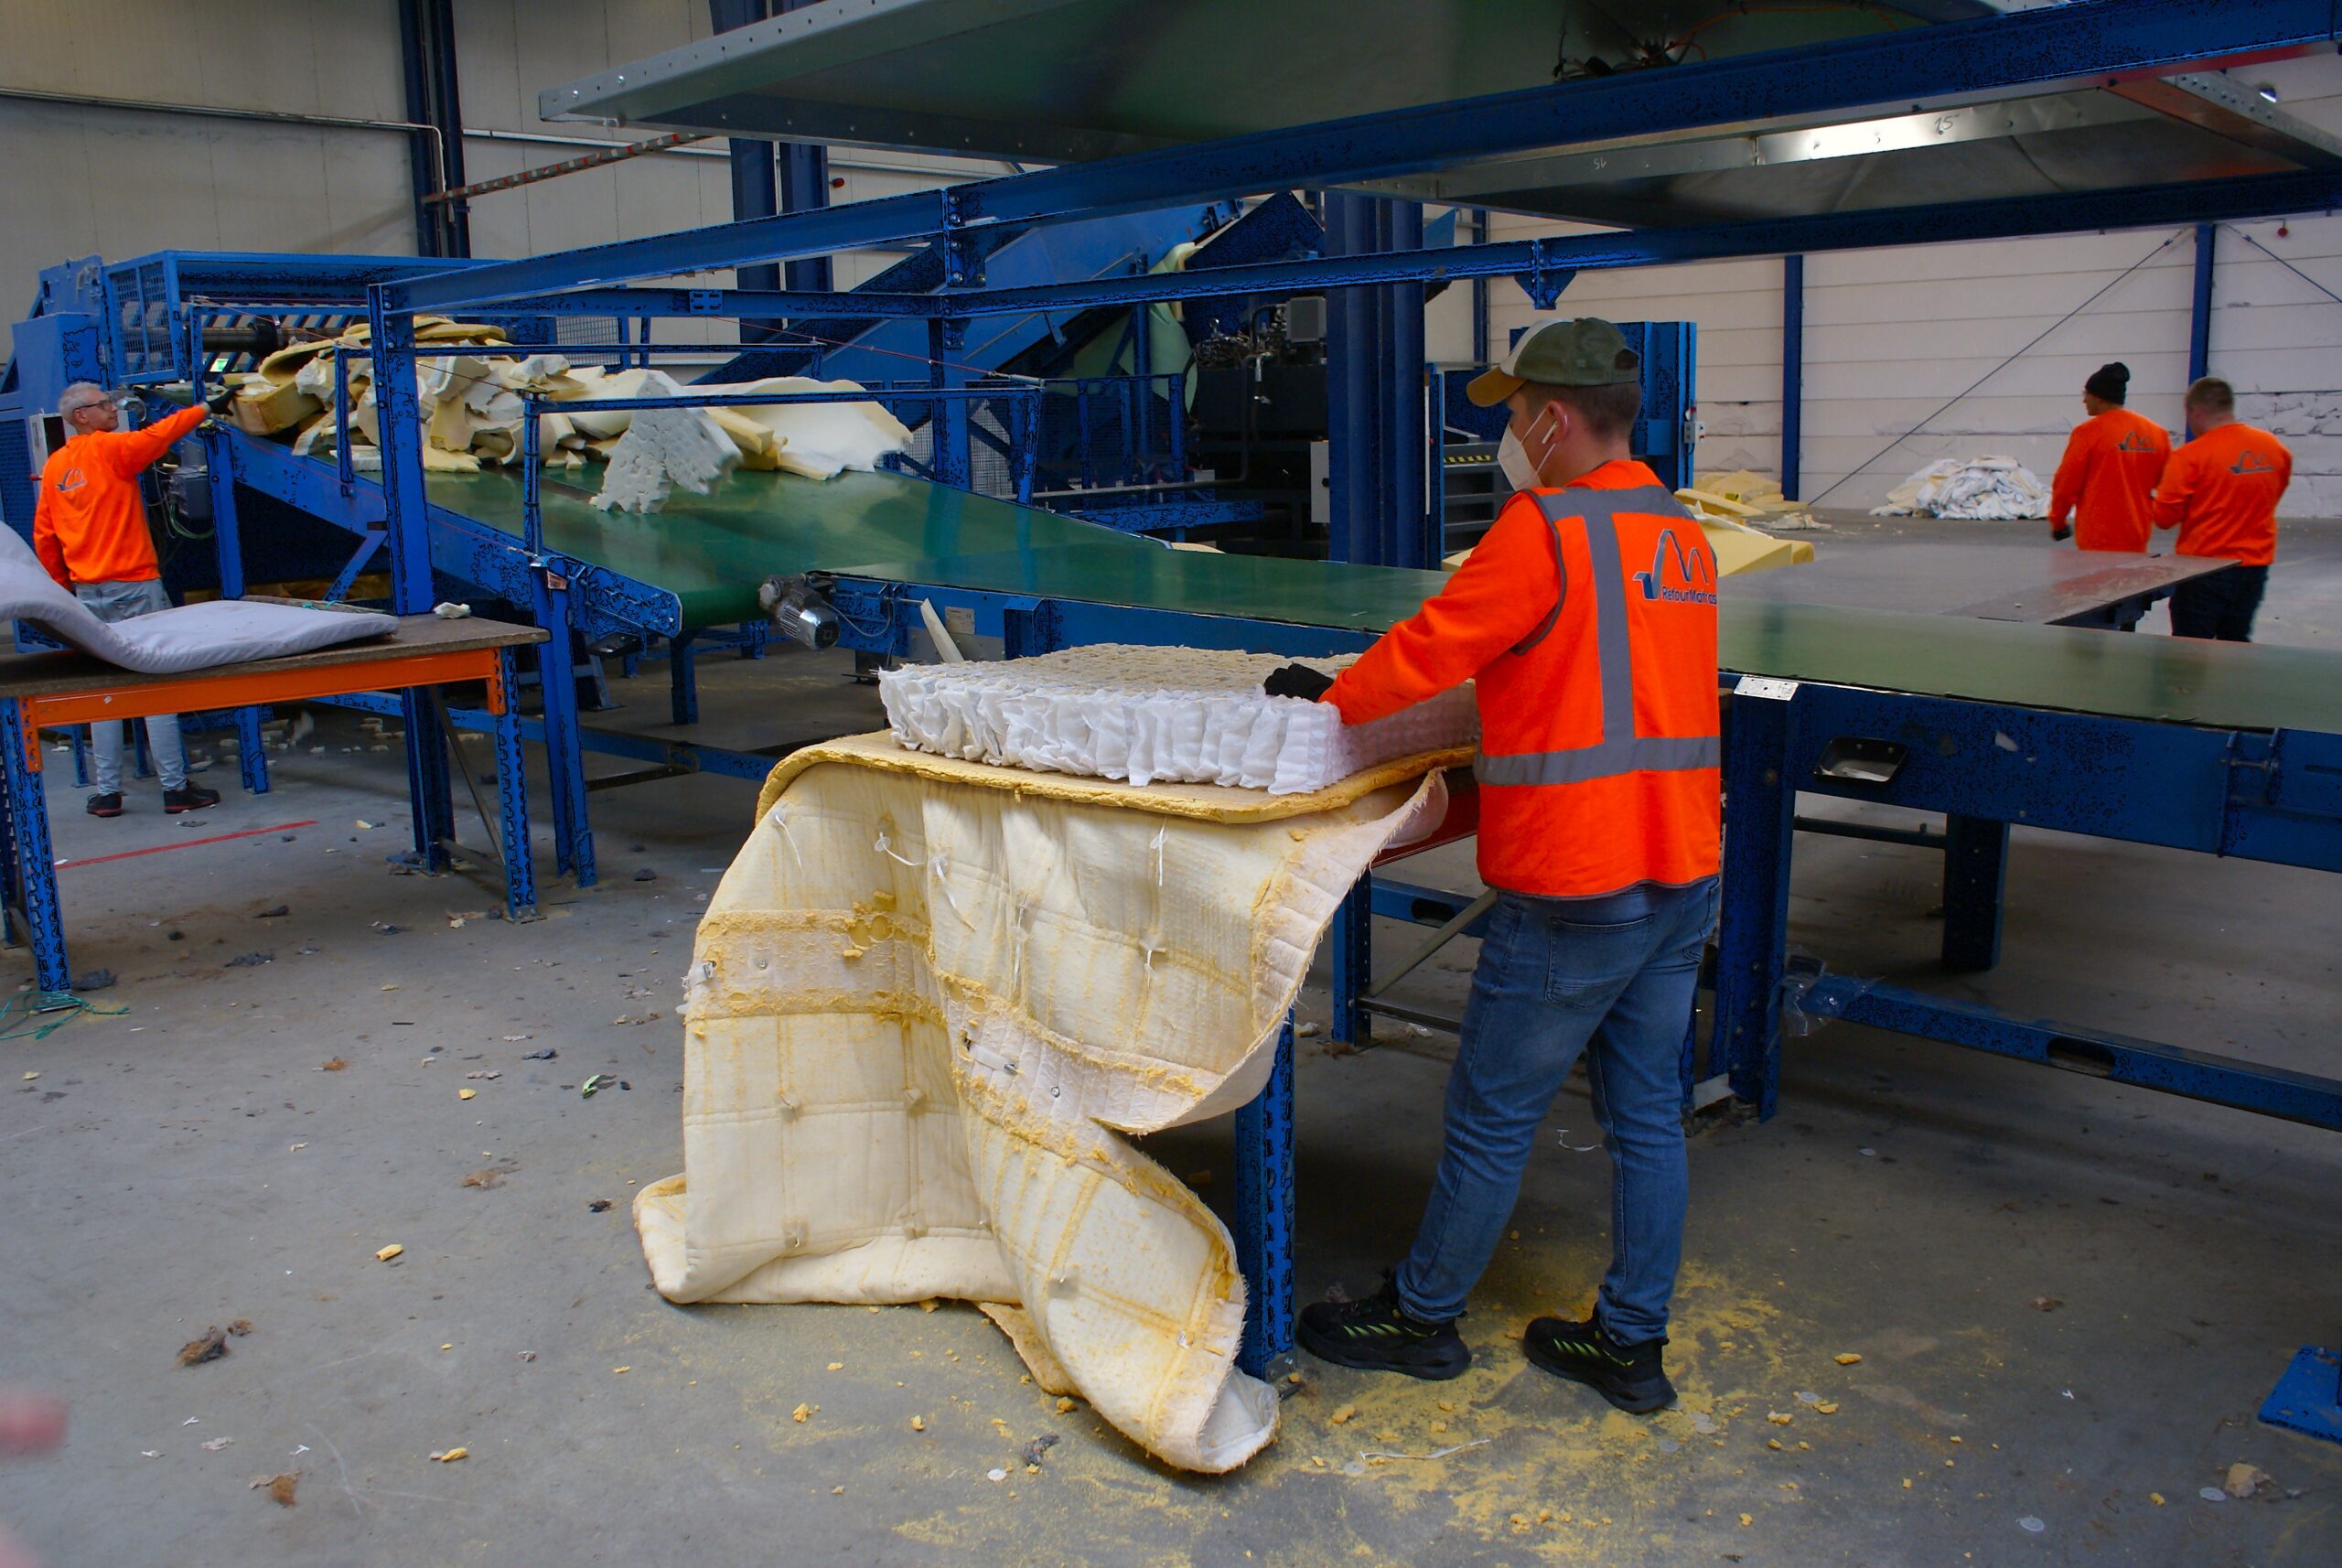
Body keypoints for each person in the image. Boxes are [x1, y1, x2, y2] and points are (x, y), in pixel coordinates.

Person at [1263, 318, 1720, 1413]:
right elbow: (1597, 676)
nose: (1510, 431)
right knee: (1648, 1114)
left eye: (1514, 414)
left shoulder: (1542, 531)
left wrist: (1326, 705)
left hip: (1575, 886)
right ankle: (1628, 1343)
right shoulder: (1679, 533)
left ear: (1554, 420)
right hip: (1679, 870)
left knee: (1489, 1114)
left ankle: (1420, 1318)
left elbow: (1429, 648)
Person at [31, 382, 227, 816]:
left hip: (88, 591)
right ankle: (175, 789)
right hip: (135, 587)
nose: (112, 409)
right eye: (103, 405)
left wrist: (64, 586)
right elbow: (159, 436)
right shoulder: (111, 450)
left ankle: (107, 793)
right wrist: (205, 408)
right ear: (81, 416)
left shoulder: (56, 467)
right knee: (154, 687)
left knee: (106, 690)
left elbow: (45, 535)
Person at [2153, 376, 2292, 642]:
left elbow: (2165, 518)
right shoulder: (2274, 449)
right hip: (2254, 567)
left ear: (2196, 411)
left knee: (2190, 647)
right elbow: (2275, 492)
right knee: (2235, 642)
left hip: (2203, 570)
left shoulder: (2190, 456)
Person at [2047, 361, 2168, 553]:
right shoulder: (2156, 434)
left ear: (2100, 398)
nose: (2084, 400)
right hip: (2137, 536)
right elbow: (2169, 484)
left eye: (2086, 394)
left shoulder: (2087, 434)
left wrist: (2058, 521)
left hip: (2097, 539)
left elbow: (2066, 483)